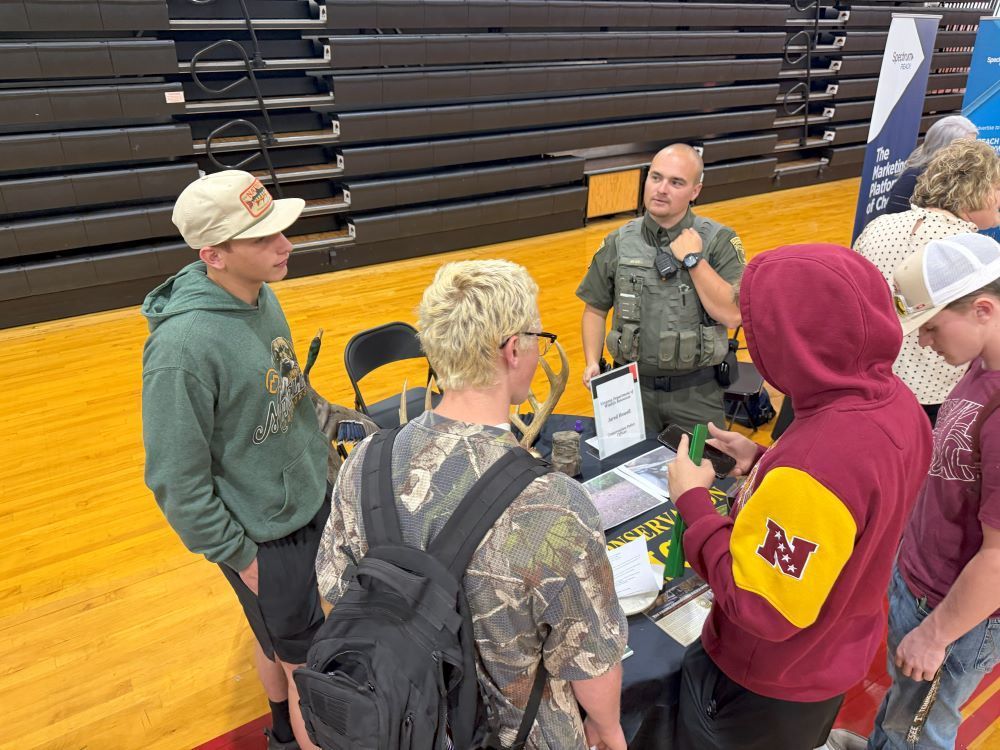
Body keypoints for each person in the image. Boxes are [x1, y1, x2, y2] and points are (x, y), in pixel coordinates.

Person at [316, 260, 628, 750]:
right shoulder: (555, 505)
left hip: (401, 724)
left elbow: (338, 595)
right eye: (536, 338)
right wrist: (608, 728)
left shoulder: (364, 462)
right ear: (512, 350)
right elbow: (590, 662)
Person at [666, 244, 933, 750]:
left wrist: (694, 502)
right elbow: (853, 505)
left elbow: (760, 607)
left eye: (756, 332)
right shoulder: (899, 404)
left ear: (789, 340)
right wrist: (764, 460)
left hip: (763, 684)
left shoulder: (814, 463)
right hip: (830, 661)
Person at [142, 170, 329, 750]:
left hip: (303, 505)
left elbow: (284, 396)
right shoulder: (182, 350)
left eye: (281, 230)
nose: (286, 245)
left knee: (277, 639)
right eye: (263, 238)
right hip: (266, 538)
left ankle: (279, 729)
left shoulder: (258, 294)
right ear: (213, 256)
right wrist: (242, 558)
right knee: (311, 674)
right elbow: (176, 481)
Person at [828, 234, 1000, 750]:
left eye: (930, 328)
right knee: (905, 708)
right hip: (926, 582)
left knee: (921, 729)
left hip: (956, 613)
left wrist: (936, 634)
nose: (923, 343)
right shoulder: (982, 364)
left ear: (983, 310)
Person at [577, 143, 745, 434]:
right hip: (628, 390)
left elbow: (733, 315)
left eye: (676, 182)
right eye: (656, 177)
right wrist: (592, 361)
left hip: (696, 395)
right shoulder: (618, 241)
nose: (662, 189)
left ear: (695, 191)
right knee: (621, 474)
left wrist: (694, 260)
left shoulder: (718, 241)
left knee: (698, 474)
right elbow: (594, 307)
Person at [855, 138, 1000, 425]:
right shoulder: (971, 253)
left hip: (871, 382)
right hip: (936, 392)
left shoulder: (878, 227)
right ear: (981, 192)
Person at [883, 115, 978, 215]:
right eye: (967, 148)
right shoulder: (914, 177)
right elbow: (896, 217)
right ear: (944, 147)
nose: (974, 153)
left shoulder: (959, 173)